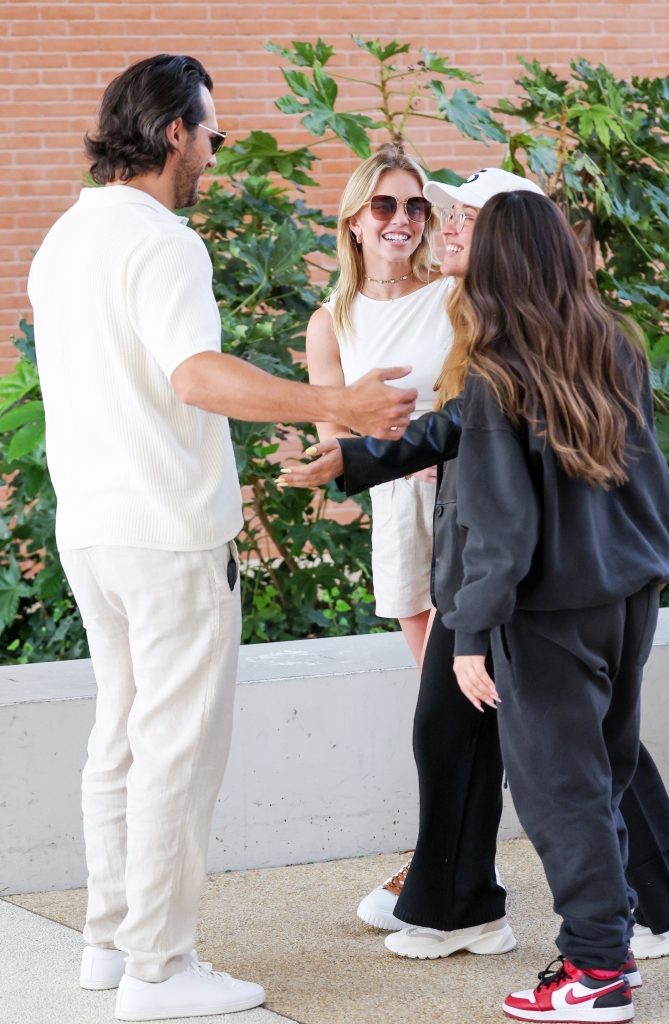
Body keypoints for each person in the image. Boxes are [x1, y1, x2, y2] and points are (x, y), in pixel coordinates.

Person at [27, 54, 417, 1023]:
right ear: (173, 134)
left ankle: (109, 941)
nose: (213, 154)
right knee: (176, 748)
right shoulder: (163, 243)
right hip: (166, 533)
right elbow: (193, 377)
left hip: (93, 532)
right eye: (213, 135)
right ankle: (160, 968)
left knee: (119, 732)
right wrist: (341, 403)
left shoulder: (62, 242)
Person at [280, 171, 669, 983]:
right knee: (561, 761)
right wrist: (359, 458)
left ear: (511, 252)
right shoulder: (604, 338)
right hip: (613, 590)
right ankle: (462, 904)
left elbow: (501, 514)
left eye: (463, 219)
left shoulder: (494, 352)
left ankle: (595, 965)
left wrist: (477, 630)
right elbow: (475, 438)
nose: (444, 228)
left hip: (530, 598)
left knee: (565, 787)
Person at [306, 144, 452, 665]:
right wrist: (396, 460)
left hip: (466, 486)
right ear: (354, 222)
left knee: (477, 660)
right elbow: (332, 436)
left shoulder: (453, 293)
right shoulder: (331, 321)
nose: (402, 219)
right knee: (434, 677)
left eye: (415, 207)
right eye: (384, 205)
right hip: (397, 494)